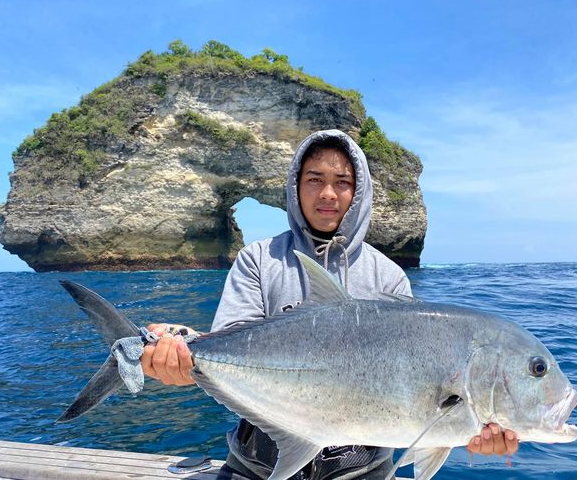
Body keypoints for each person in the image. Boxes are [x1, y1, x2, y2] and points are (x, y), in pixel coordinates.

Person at [141, 129, 518, 478]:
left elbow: (422, 402)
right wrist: (186, 355)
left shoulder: (387, 277)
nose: (327, 193)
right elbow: (228, 343)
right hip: (258, 467)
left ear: (359, 193)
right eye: (314, 180)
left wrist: (464, 429)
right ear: (294, 187)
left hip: (359, 473)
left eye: (343, 183)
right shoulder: (259, 259)